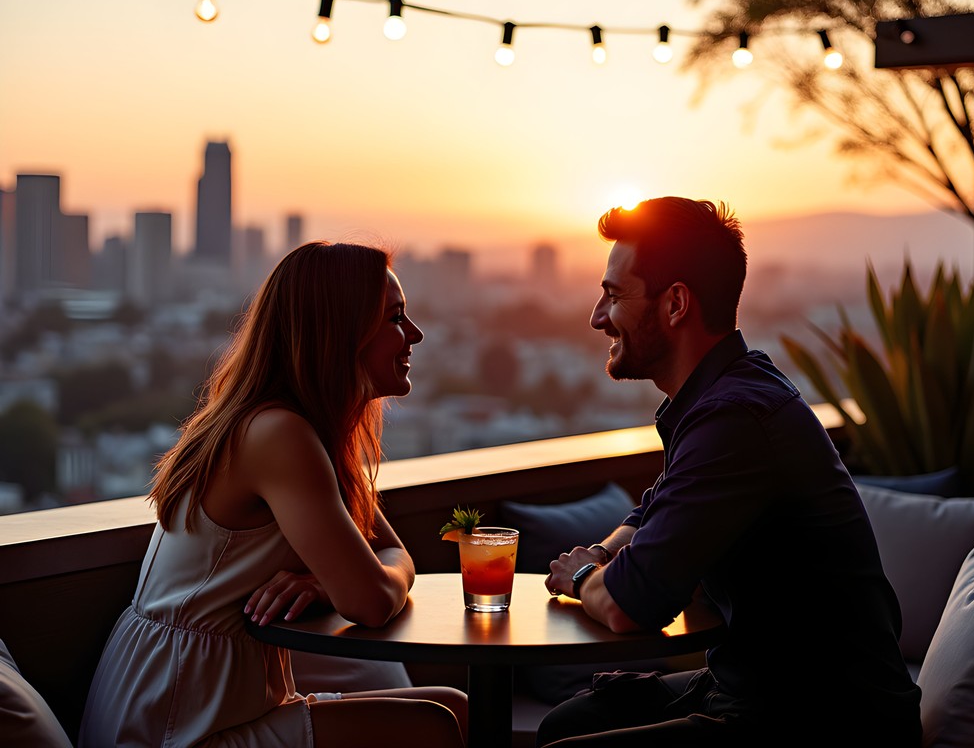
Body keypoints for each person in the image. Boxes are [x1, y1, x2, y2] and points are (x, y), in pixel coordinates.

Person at [538, 198, 922, 747]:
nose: (598, 317)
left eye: (614, 295)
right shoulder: (728, 396)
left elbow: (630, 606)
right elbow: (650, 512)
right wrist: (601, 557)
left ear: (675, 304)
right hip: (758, 688)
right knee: (567, 723)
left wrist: (580, 579)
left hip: (824, 716)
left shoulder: (735, 418)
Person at [79, 241, 468, 748]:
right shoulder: (279, 435)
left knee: (458, 709)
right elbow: (372, 599)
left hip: (194, 694)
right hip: (174, 720)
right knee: (435, 726)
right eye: (396, 318)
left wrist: (328, 583)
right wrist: (346, 584)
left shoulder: (291, 428)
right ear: (340, 333)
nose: (414, 334)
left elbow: (391, 556)